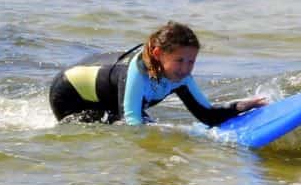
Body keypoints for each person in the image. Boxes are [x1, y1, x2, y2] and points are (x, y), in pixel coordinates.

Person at [49, 21, 267, 126]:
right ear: (158, 53)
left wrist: (242, 106)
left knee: (123, 122)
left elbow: (206, 114)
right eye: (179, 60)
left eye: (191, 61)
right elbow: (131, 120)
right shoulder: (136, 73)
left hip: (105, 94)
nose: (185, 68)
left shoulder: (182, 78)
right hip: (71, 93)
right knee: (104, 130)